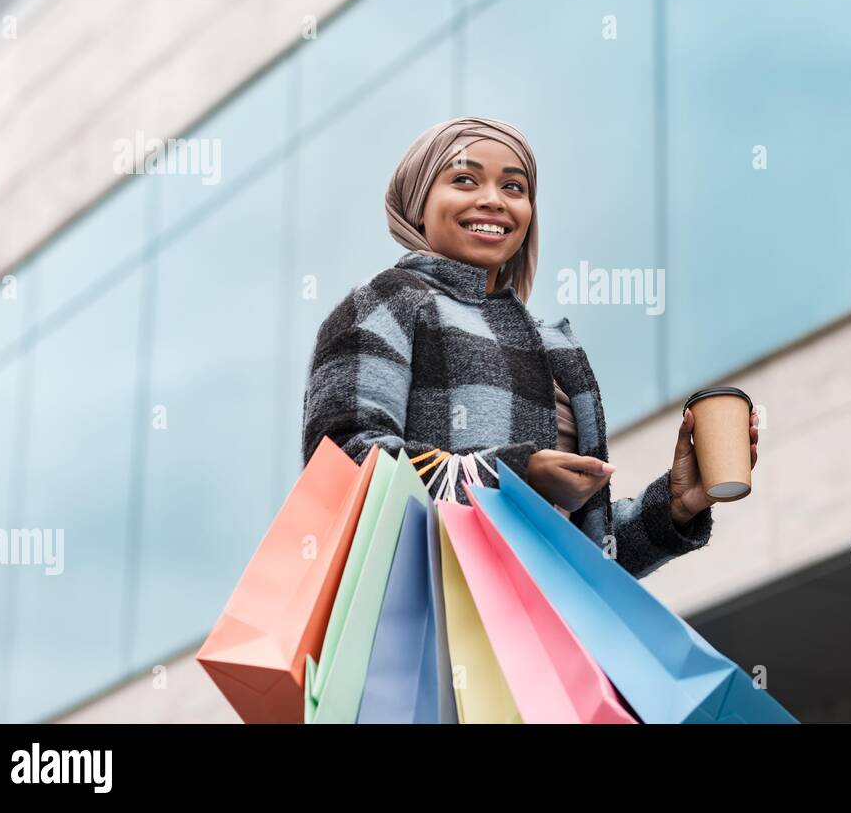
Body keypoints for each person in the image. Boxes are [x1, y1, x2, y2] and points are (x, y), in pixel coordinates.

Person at [301, 116, 759, 579]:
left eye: (515, 188)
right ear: (419, 203)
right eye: (464, 179)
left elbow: (584, 560)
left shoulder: (557, 347)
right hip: (418, 623)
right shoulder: (387, 302)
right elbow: (346, 463)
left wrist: (677, 504)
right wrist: (510, 476)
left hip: (533, 640)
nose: (493, 201)